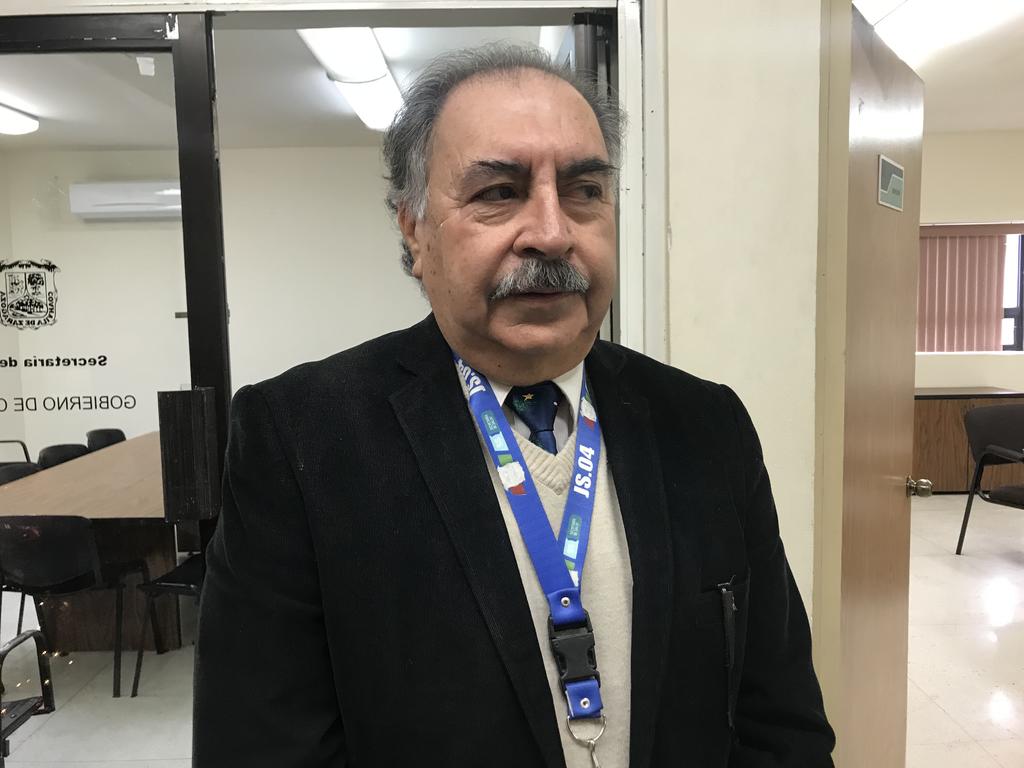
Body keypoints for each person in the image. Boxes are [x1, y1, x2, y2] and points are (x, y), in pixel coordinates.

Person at [193, 44, 834, 767]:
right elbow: (260, 748)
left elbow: (780, 720)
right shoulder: (302, 439)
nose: (553, 233)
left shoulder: (707, 425)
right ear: (414, 227)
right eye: (499, 192)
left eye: (584, 190)